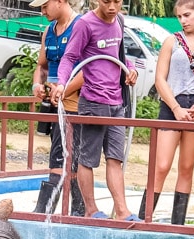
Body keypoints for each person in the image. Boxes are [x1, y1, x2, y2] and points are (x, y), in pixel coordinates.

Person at [51, 0, 138, 220]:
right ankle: (91, 209)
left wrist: (131, 69)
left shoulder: (119, 20)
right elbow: (70, 57)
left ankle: (122, 211)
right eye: (106, 1)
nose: (111, 6)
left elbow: (119, 55)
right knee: (87, 159)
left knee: (115, 158)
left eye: (116, 1)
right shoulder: (86, 24)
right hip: (93, 101)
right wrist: (62, 83)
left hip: (117, 102)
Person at [139, 0, 194, 225]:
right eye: (179, 17)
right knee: (162, 165)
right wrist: (175, 107)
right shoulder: (171, 41)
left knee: (186, 167)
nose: (183, 20)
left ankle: (178, 223)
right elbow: (159, 78)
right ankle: (143, 219)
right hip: (172, 104)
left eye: (187, 15)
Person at [30, 0, 85, 216]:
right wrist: (37, 84)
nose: (42, 11)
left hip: (73, 101)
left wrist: (64, 91)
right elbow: (41, 66)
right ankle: (58, 210)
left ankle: (58, 211)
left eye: (45, 6)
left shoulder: (80, 26)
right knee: (60, 154)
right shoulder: (49, 30)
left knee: (68, 157)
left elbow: (87, 70)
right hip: (54, 102)